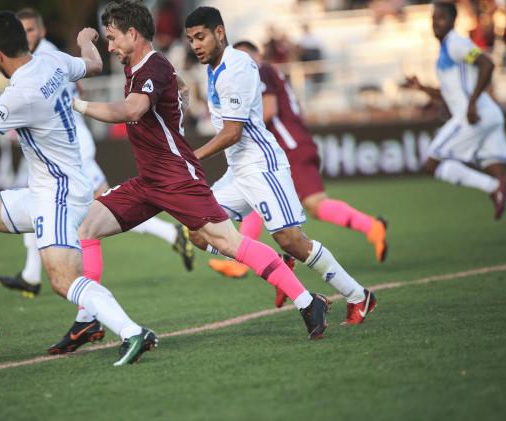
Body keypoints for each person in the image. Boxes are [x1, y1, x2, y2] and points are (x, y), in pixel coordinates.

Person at [0, 11, 155, 366]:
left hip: (58, 195)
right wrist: (85, 42)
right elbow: (93, 65)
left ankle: (133, 332)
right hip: (47, 189)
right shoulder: (52, 59)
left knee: (63, 279)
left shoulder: (20, 94)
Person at [73, 0, 331, 341]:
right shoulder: (142, 66)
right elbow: (171, 83)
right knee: (87, 227)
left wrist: (77, 104)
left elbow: (133, 109)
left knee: (228, 242)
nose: (109, 46)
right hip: (150, 180)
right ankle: (87, 319)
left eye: (112, 38)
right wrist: (84, 44)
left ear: (132, 34)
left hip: (177, 177)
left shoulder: (151, 67)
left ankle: (308, 301)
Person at [0, 8, 192, 355]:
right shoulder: (32, 60)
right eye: (21, 29)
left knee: (91, 213)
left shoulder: (45, 56)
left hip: (73, 152)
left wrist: (84, 55)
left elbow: (88, 80)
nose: (26, 34)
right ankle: (43, 284)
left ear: (38, 30)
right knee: (83, 219)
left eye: (29, 28)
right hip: (55, 152)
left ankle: (167, 237)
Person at [185, 6, 376, 325]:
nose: (195, 45)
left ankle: (359, 296)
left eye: (200, 37)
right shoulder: (214, 67)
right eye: (191, 39)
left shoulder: (236, 67)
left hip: (262, 166)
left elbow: (233, 132)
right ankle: (273, 261)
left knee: (292, 240)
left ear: (220, 32)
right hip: (238, 171)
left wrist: (192, 157)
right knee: (198, 231)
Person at [207, 40, 387, 304]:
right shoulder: (260, 70)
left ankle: (371, 229)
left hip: (287, 146)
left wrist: (235, 117)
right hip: (284, 145)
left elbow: (269, 110)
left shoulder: (261, 70)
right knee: (262, 205)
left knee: (312, 208)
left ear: (257, 55)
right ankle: (256, 259)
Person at [404, 2, 506, 220]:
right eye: (433, 19)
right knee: (503, 177)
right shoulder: (445, 50)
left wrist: (472, 104)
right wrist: (421, 87)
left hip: (474, 116)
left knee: (432, 163)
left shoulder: (456, 42)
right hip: (486, 115)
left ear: (453, 20)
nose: (436, 23)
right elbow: (447, 95)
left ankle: (492, 187)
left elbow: (487, 64)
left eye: (441, 18)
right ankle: (497, 186)